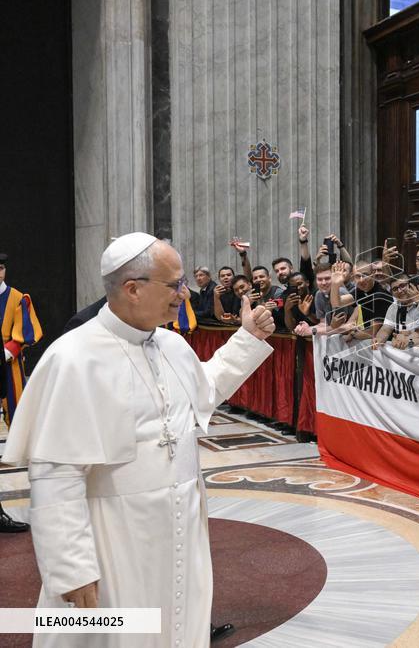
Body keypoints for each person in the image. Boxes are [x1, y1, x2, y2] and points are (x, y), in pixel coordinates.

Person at [1, 234, 274, 647]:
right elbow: (57, 473)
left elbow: (203, 389)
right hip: (113, 544)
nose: (184, 294)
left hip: (179, 532)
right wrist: (71, 569)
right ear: (132, 288)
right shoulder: (73, 357)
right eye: (175, 284)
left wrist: (248, 338)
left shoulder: (172, 345)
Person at [0, 252, 43, 427]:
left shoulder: (18, 298)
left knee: (16, 411)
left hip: (9, 362)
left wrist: (3, 355)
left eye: (1, 268)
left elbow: (25, 333)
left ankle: (17, 452)